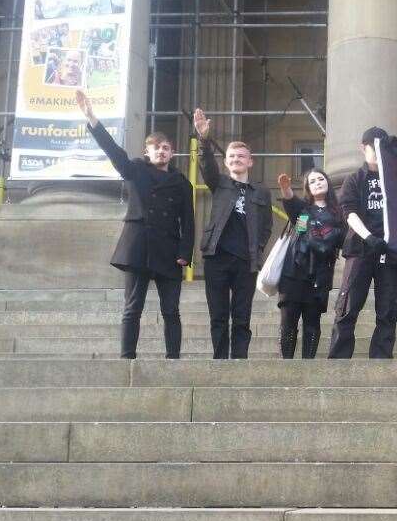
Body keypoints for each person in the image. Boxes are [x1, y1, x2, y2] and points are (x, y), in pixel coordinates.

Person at [74, 89, 193, 359]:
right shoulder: (135, 169)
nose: (161, 151)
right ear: (147, 151)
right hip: (139, 247)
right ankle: (127, 356)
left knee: (171, 310)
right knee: (132, 307)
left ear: (172, 153)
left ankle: (173, 358)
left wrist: (185, 253)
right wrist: (92, 118)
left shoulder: (182, 183)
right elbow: (113, 151)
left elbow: (188, 219)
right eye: (156, 147)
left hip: (170, 252)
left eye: (166, 148)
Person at [194, 108, 273, 359]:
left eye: (241, 156)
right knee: (218, 315)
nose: (236, 159)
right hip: (216, 257)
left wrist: (257, 249)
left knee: (242, 316)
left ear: (250, 161)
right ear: (226, 161)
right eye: (232, 156)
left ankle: (239, 360)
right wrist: (204, 139)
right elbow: (206, 165)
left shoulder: (261, 192)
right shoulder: (220, 183)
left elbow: (267, 226)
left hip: (245, 261)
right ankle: (219, 361)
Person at [327, 126, 397, 359]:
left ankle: (381, 360)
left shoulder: (396, 180)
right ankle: (339, 361)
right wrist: (368, 237)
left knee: (389, 309)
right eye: (375, 147)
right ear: (364, 148)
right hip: (360, 249)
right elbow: (348, 211)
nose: (379, 153)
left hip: (390, 252)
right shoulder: (354, 179)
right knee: (348, 306)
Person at [275, 169, 346, 358]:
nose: (317, 182)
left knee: (312, 324)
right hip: (294, 272)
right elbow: (291, 203)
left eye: (321, 179)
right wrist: (285, 188)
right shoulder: (303, 210)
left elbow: (342, 239)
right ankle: (288, 366)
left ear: (328, 183)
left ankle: (308, 365)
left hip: (320, 275)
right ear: (307, 188)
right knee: (288, 322)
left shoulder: (339, 213)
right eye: (312, 181)